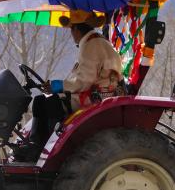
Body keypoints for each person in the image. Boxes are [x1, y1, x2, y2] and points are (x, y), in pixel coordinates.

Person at [13, 10, 123, 162]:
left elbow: (83, 83)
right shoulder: (100, 42)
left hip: (93, 98)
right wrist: (58, 86)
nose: (72, 35)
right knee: (48, 100)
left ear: (76, 29)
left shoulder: (90, 46)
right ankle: (40, 146)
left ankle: (38, 148)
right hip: (101, 94)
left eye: (71, 30)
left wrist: (57, 86)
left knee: (42, 102)